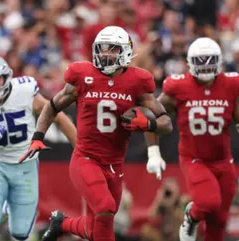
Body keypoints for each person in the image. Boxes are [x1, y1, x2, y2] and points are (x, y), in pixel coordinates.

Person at [21, 26, 173, 241]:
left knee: (97, 226)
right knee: (105, 206)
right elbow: (52, 106)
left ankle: (61, 224)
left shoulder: (137, 82)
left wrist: (148, 124)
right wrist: (38, 137)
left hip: (114, 164)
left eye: (112, 50)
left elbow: (166, 123)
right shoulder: (83, 76)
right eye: (102, 49)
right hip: (86, 158)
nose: (106, 55)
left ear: (125, 53)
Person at [144, 37, 239, 241]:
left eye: (209, 60)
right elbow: (152, 117)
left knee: (219, 220)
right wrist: (153, 152)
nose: (205, 66)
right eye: (200, 60)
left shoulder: (231, 84)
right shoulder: (179, 87)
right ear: (189, 62)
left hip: (223, 160)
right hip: (195, 158)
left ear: (219, 61)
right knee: (208, 202)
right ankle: (191, 215)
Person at [0, 53, 77, 241]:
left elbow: (58, 116)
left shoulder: (24, 91)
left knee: (21, 232)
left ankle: (7, 206)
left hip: (25, 165)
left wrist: (80, 149)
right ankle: (2, 207)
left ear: (7, 76)